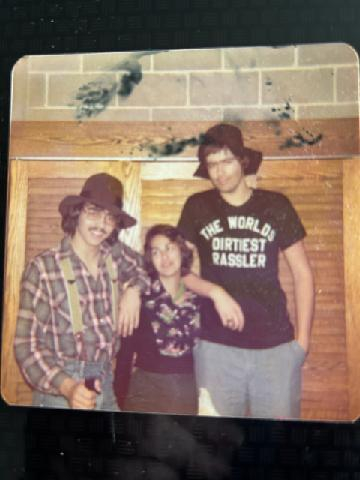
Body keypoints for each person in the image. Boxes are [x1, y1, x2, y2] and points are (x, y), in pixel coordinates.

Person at [177, 123, 315, 419]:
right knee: (216, 449)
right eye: (212, 164)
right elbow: (182, 271)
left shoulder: (275, 205)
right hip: (216, 349)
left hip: (276, 349)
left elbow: (302, 274)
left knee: (277, 450)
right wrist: (216, 292)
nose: (219, 172)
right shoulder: (196, 206)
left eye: (226, 161)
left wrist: (301, 342)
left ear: (243, 161)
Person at [14, 173, 148, 411]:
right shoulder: (44, 269)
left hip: (106, 385)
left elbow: (145, 268)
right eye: (93, 212)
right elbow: (26, 346)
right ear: (77, 213)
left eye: (110, 217)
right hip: (61, 392)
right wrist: (68, 387)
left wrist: (134, 290)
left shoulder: (114, 256)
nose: (101, 224)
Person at [114, 224, 201, 415]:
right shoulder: (139, 299)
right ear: (150, 259)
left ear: (181, 250)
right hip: (146, 392)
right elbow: (125, 355)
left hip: (187, 392)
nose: (164, 257)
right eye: (156, 252)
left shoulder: (199, 298)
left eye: (169, 247)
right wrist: (119, 400)